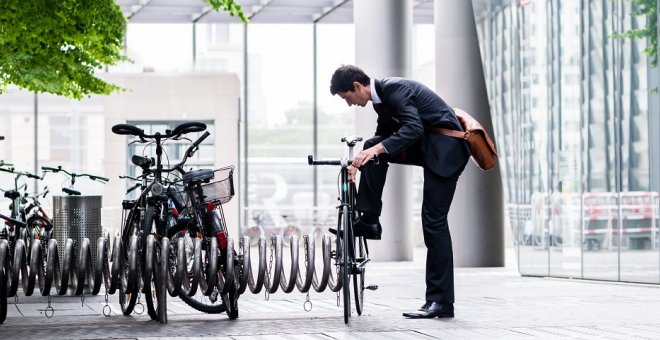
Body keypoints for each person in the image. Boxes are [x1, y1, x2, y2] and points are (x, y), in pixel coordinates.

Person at [329, 65, 470, 319]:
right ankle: (369, 220)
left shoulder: (395, 89)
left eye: (347, 98)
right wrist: (359, 162)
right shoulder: (380, 101)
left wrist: (374, 151)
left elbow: (413, 128)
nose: (349, 104)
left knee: (434, 223)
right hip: (430, 147)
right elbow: (382, 137)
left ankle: (441, 302)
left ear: (358, 87)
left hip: (447, 151)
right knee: (373, 147)